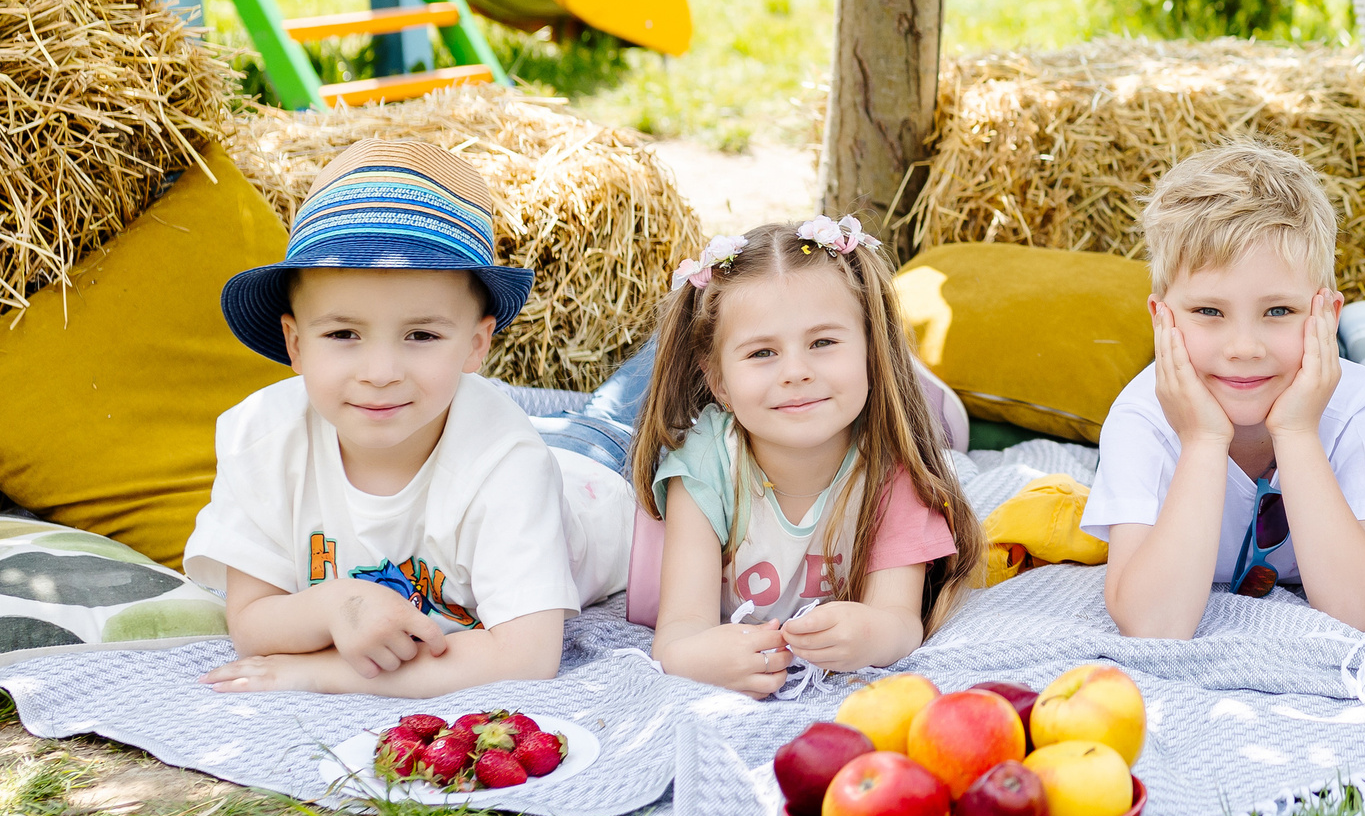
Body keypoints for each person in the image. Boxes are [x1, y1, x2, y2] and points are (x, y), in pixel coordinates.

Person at [188, 141, 631, 695]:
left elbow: (526, 655)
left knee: (642, 405)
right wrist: (336, 604)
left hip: (598, 479)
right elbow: (252, 620)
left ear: (475, 345)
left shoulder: (509, 463)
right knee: (575, 411)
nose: (379, 372)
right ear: (295, 344)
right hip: (478, 422)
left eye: (421, 335)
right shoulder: (262, 439)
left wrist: (320, 672)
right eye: (343, 334)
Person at [1085, 143, 1365, 637]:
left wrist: (1298, 432)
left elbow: (1358, 610)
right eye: (1209, 312)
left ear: (1325, 315)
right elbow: (1153, 626)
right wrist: (1202, 441)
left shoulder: (1363, 409)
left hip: (1345, 376)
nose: (1244, 347)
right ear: (1162, 321)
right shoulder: (1142, 418)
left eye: (1278, 311)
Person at [631, 218, 981, 695]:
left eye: (822, 343)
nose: (795, 372)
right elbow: (679, 631)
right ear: (717, 383)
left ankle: (936, 403)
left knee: (931, 433)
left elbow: (898, 620)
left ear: (873, 354)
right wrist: (702, 658)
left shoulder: (892, 467)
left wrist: (869, 635)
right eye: (761, 353)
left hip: (877, 413)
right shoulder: (703, 466)